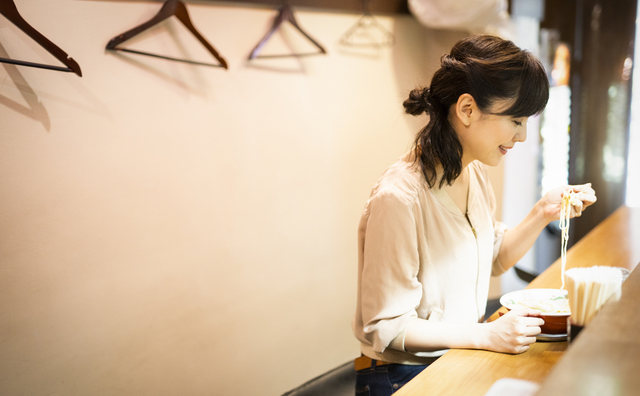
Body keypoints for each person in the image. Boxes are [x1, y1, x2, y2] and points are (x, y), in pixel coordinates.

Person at [352, 34, 596, 396]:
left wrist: (545, 210)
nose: (523, 135)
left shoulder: (473, 172)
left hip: (458, 356)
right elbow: (388, 326)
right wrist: (486, 334)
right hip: (400, 376)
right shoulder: (399, 199)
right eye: (515, 120)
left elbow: (494, 259)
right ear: (467, 109)